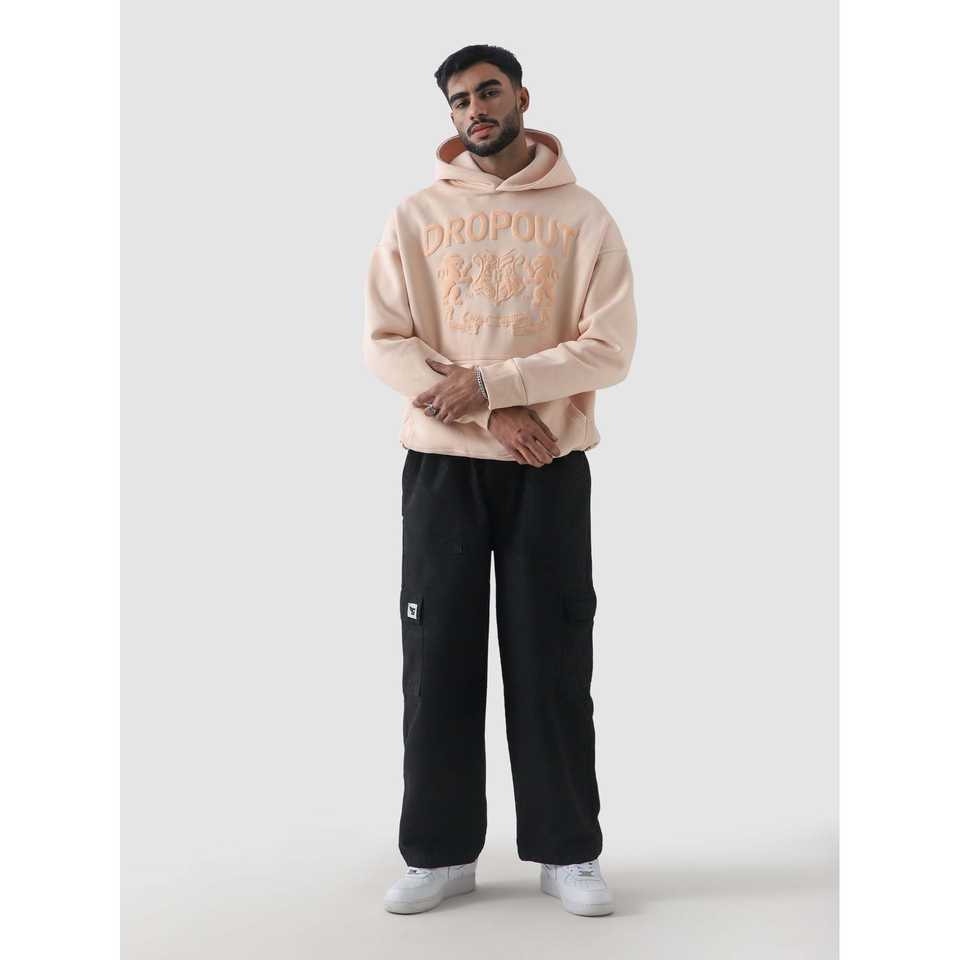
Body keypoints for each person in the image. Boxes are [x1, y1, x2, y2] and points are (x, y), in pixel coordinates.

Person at [362, 44, 637, 917]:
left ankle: (568, 850)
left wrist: (496, 386)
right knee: (436, 658)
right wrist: (488, 411)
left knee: (552, 653)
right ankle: (439, 854)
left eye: (487, 92)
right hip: (445, 465)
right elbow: (386, 343)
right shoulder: (416, 215)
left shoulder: (584, 216)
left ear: (521, 96)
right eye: (458, 100)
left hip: (546, 463)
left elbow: (610, 348)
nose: (474, 109)